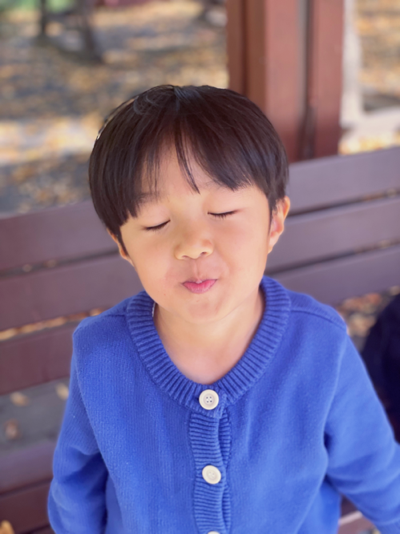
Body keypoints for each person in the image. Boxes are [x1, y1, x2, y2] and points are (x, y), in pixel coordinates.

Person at [47, 85, 400, 534]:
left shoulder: (319, 344)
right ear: (122, 244)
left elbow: (375, 469)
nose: (193, 244)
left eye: (223, 211)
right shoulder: (101, 354)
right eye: (156, 222)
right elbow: (76, 487)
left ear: (274, 221)